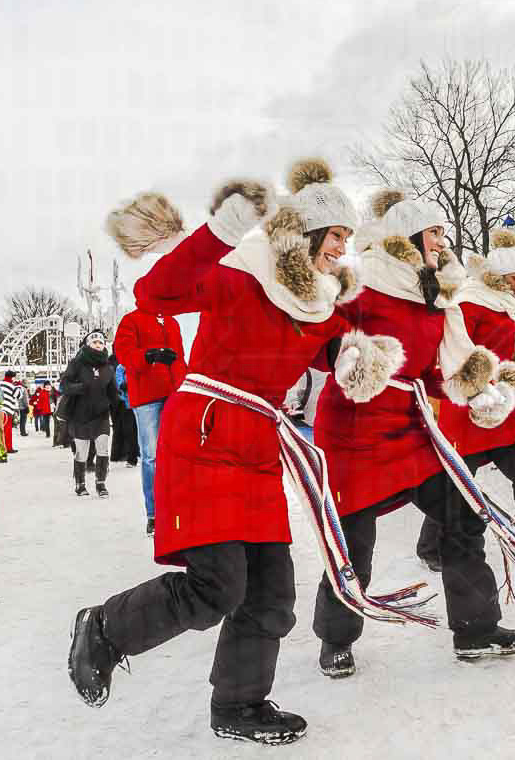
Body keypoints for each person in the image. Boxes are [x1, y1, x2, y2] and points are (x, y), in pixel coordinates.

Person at [69, 161, 404, 744]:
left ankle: (239, 705)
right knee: (216, 586)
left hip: (257, 449)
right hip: (203, 434)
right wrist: (219, 233)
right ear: (305, 235)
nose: (341, 250)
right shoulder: (244, 276)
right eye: (335, 237)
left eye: (347, 240)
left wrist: (355, 357)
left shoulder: (322, 306)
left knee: (272, 591)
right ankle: (103, 628)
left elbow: (337, 351)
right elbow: (156, 293)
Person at [312, 189, 515, 680]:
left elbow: (438, 368)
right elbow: (321, 339)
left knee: (461, 514)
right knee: (354, 544)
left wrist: (479, 390)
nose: (443, 241)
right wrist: (347, 354)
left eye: (443, 232)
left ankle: (476, 629)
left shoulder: (436, 296)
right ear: (410, 236)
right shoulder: (363, 283)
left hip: (410, 427)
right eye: (435, 232)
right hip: (354, 432)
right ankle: (336, 639)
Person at [416, 231, 515, 568]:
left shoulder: (504, 305)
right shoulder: (469, 302)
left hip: (501, 404)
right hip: (471, 407)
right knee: (458, 482)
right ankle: (430, 547)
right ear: (496, 277)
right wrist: (475, 389)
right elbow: (453, 351)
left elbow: (513, 348)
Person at [114, 304, 187, 537]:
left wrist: (185, 385)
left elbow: (180, 359)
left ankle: (176, 509)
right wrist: (148, 356)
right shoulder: (131, 320)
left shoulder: (171, 322)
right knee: (151, 455)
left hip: (174, 393)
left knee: (177, 454)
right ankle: (154, 513)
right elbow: (123, 353)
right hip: (147, 397)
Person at [61, 331, 118, 497]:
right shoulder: (76, 363)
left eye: (100, 343)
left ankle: (101, 483)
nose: (98, 345)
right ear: (87, 345)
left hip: (101, 414)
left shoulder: (108, 368)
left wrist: (118, 405)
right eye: (94, 342)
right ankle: (80, 483)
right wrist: (79, 388)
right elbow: (64, 384)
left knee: (103, 446)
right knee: (82, 452)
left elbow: (113, 392)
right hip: (80, 415)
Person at [0, 370, 21, 454]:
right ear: (13, 377)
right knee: (7, 430)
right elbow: (19, 395)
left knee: (0, 429)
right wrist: (19, 385)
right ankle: (8, 447)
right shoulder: (12, 386)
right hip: (8, 410)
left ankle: (0, 446)